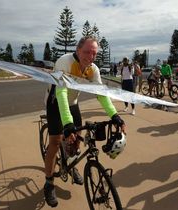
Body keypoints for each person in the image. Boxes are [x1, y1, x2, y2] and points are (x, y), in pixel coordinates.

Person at [43, 36, 126, 207]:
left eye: (94, 53)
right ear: (78, 50)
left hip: (72, 103)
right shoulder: (64, 62)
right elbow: (61, 93)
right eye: (87, 52)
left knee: (77, 139)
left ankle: (70, 163)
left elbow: (101, 94)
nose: (91, 56)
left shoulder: (93, 69)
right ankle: (49, 182)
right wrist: (67, 123)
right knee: (55, 142)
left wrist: (114, 115)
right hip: (55, 102)